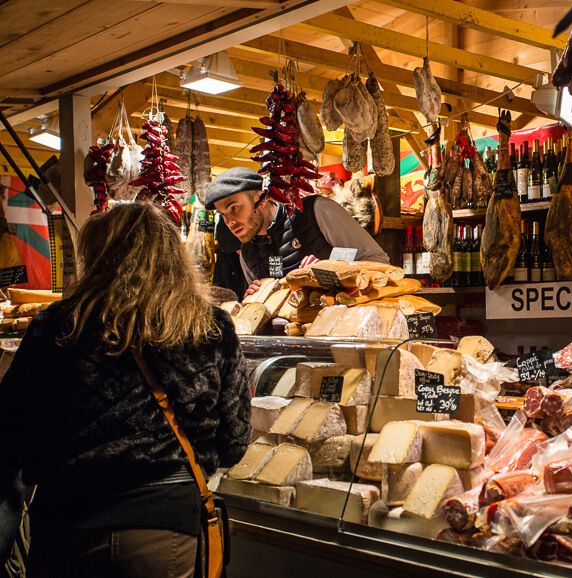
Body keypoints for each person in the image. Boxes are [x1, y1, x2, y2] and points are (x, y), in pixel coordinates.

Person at [0, 202, 251, 577]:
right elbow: (234, 441)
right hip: (164, 529)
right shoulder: (210, 326)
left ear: (97, 259)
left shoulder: (56, 325)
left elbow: (11, 434)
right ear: (173, 258)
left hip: (66, 527)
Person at [204, 167, 389, 296]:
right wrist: (257, 299)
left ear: (260, 199)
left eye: (234, 208)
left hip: (343, 339)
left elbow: (379, 262)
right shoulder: (247, 254)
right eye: (222, 214)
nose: (228, 222)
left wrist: (332, 272)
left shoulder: (315, 211)